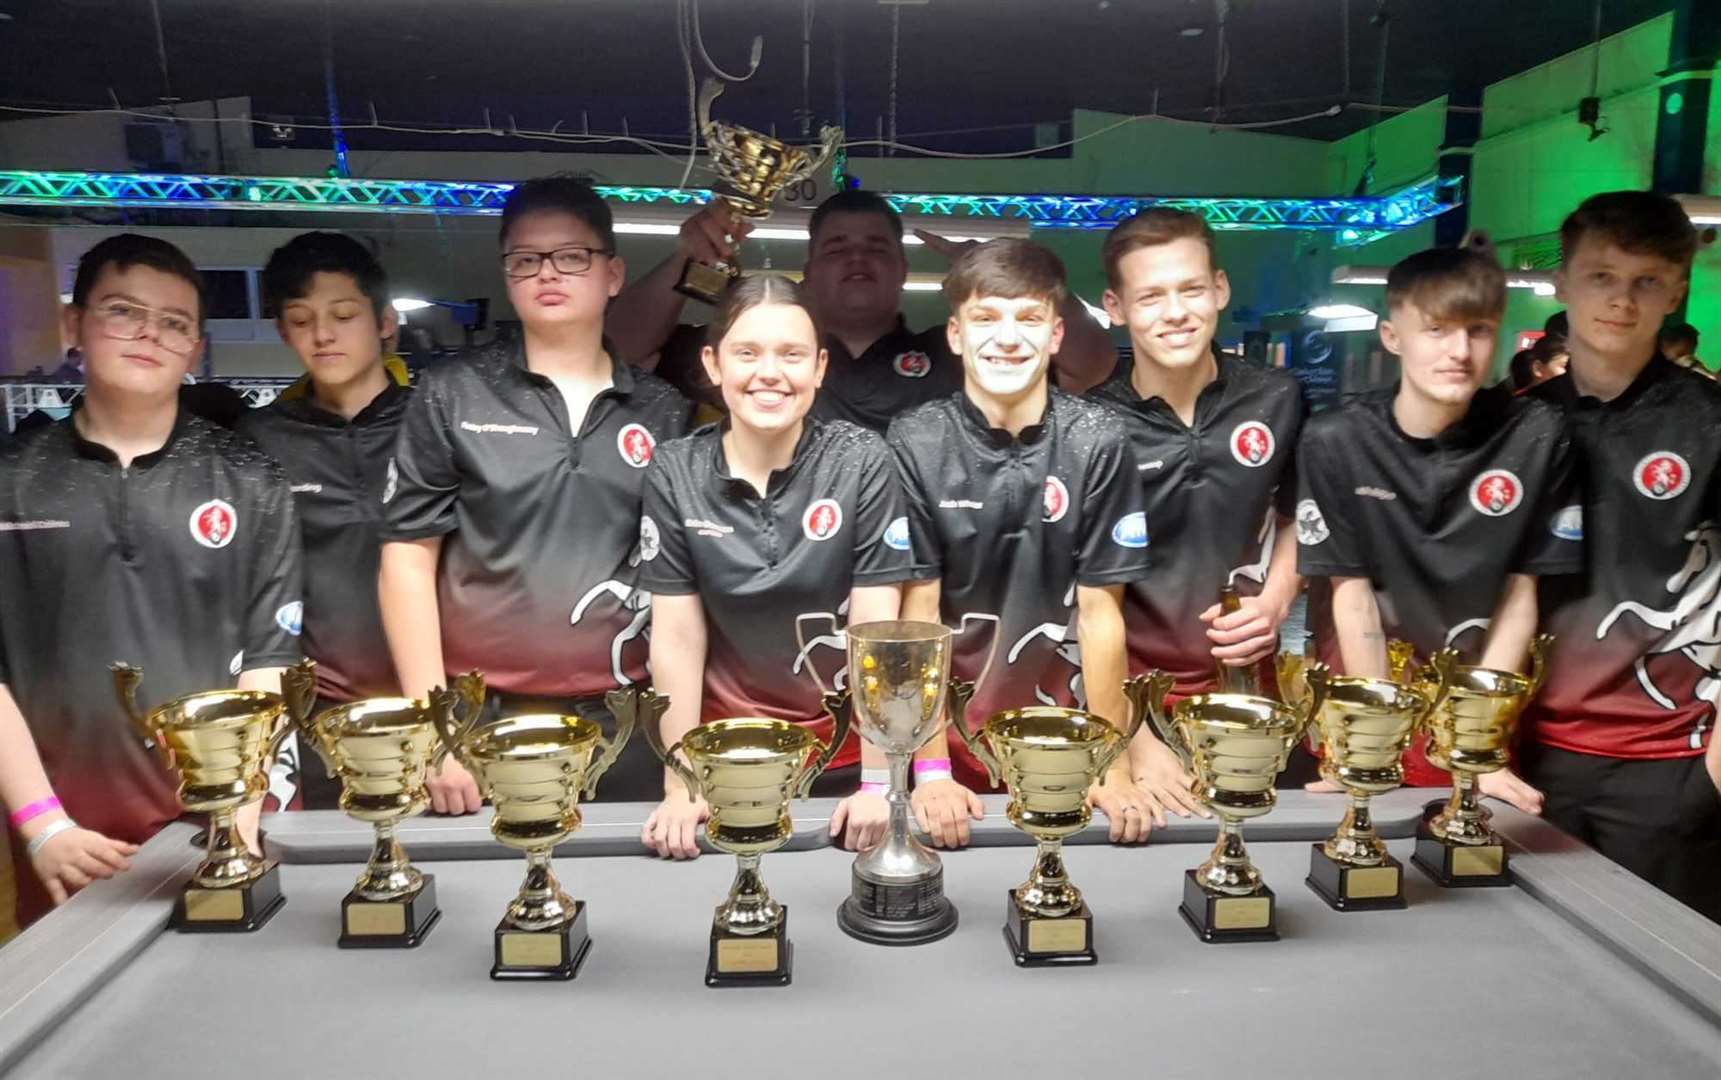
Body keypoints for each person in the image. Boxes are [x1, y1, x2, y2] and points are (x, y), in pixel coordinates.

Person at [0, 234, 304, 928]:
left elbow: (271, 661)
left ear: (195, 347)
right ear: (74, 324)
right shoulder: (11, 481)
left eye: (173, 323)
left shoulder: (251, 479)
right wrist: (43, 825)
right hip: (74, 837)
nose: (149, 335)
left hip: (232, 821)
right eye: (123, 311)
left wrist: (240, 815)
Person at [379, 177, 693, 811]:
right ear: (506, 274)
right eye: (525, 260)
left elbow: (680, 584)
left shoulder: (663, 412)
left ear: (612, 274)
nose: (547, 273)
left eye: (571, 256)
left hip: (625, 720)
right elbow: (407, 562)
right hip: (480, 723)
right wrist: (434, 733)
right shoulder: (453, 394)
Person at [886, 239, 1155, 849]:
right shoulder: (915, 440)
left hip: (1063, 744)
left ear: (1056, 335)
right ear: (955, 334)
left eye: (1028, 319)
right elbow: (918, 618)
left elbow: (1101, 614)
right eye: (986, 318)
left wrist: (1110, 766)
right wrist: (929, 772)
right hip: (951, 752)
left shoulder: (1099, 441)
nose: (1008, 339)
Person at [637, 275, 915, 858]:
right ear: (713, 364)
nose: (770, 373)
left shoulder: (863, 459)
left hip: (842, 757)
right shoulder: (675, 469)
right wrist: (681, 781)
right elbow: (678, 636)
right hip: (723, 759)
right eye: (747, 353)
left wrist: (877, 781)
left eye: (791, 355)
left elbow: (876, 631)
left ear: (819, 367)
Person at [1296, 247, 1582, 791]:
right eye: (1435, 330)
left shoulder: (1540, 433)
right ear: (1391, 336)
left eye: (1477, 330)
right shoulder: (1336, 437)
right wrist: (1372, 742)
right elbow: (1352, 594)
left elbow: (1521, 595)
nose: (1459, 351)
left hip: (1483, 703)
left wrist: (1479, 743)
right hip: (1371, 690)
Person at [1519, 191, 1721, 921]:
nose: (1621, 300)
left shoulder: (1710, 424)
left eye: (1645, 280)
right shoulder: (1510, 429)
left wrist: (1715, 766)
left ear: (1676, 289)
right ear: (1561, 284)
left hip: (1667, 761)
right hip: (1524, 756)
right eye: (1601, 276)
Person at [1086, 208, 1306, 816]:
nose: (1176, 312)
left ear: (1220, 289)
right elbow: (1071, 596)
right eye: (1151, 296)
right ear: (1116, 306)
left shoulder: (1277, 396)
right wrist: (1132, 732)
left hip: (1248, 688)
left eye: (1191, 289)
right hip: (1125, 697)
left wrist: (1277, 600)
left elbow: (1301, 517)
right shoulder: (1088, 425)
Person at [607, 190, 1119, 427]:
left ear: (901, 269)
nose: (857, 257)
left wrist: (1009, 274)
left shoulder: (957, 352)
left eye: (876, 247)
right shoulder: (760, 356)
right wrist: (684, 259)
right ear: (806, 272)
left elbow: (1092, 364)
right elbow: (621, 349)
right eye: (836, 248)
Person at [238, 232, 410, 808]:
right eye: (301, 319)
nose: (324, 334)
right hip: (320, 715)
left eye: (344, 314)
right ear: (284, 331)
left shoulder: (437, 426)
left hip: (437, 705)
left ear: (385, 323)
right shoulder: (260, 442)